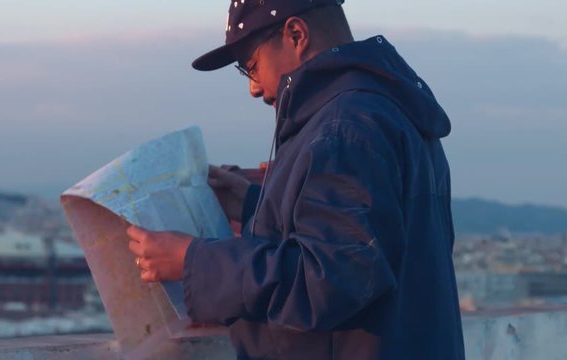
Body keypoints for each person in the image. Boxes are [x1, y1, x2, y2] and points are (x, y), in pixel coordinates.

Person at [127, 0, 465, 358]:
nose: (254, 89)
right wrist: (253, 202)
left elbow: (331, 279)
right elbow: (375, 238)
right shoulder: (384, 110)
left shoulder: (342, 128)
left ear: (296, 34)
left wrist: (194, 261)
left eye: (251, 67)